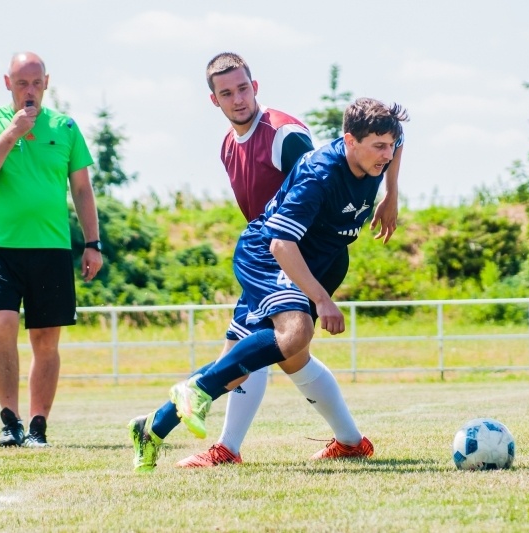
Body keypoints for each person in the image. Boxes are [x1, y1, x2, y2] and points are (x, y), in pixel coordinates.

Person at [128, 53, 403, 471]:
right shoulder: (306, 166)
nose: (237, 99)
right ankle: (224, 438)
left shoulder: (288, 137)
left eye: (242, 88)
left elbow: (389, 147)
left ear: (255, 87)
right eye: (226, 92)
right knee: (289, 339)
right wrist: (317, 297)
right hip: (275, 253)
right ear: (214, 100)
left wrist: (390, 196)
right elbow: (287, 227)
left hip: (306, 254)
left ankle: (154, 428)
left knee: (254, 359)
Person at [0, 52, 103, 448]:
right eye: (21, 83)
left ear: (47, 82)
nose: (30, 91)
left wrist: (92, 244)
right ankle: (10, 420)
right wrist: (10, 134)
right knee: (2, 325)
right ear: (7, 83)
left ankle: (38, 426)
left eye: (36, 83)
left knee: (46, 338)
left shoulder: (66, 126)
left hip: (51, 247)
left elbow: (81, 190)